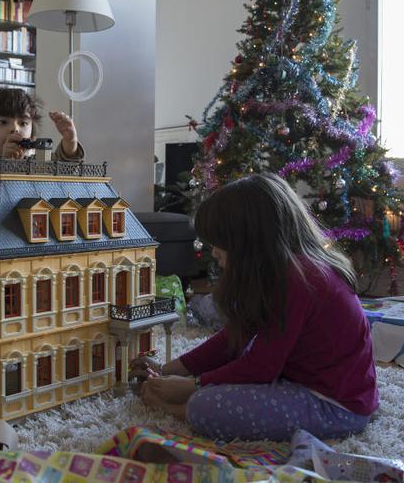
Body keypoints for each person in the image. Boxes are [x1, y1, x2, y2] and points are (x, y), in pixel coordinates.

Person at [130, 173, 378, 442]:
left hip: (334, 405)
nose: (214, 252)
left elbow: (260, 367)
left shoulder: (302, 281)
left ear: (250, 243)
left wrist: (190, 387)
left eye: (220, 242)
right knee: (219, 378)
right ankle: (181, 399)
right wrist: (169, 370)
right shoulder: (282, 273)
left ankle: (171, 408)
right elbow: (233, 339)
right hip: (299, 380)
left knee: (205, 405)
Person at [0, 87, 83, 162]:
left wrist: (70, 140)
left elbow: (64, 163)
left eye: (23, 123)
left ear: (32, 137)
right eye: (3, 122)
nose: (15, 128)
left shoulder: (39, 165)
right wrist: (7, 163)